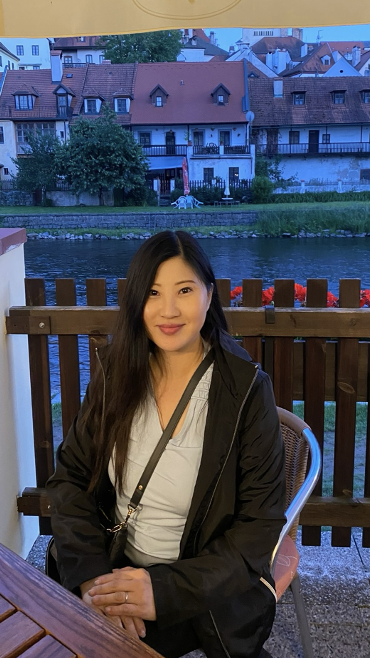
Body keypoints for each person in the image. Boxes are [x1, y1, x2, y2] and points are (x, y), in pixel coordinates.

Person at [46, 230, 286, 658]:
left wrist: (161, 592)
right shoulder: (116, 372)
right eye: (153, 293)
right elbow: (70, 480)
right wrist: (94, 583)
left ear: (209, 294)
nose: (169, 310)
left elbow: (258, 528)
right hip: (111, 565)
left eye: (185, 290)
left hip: (200, 590)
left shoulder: (246, 391)